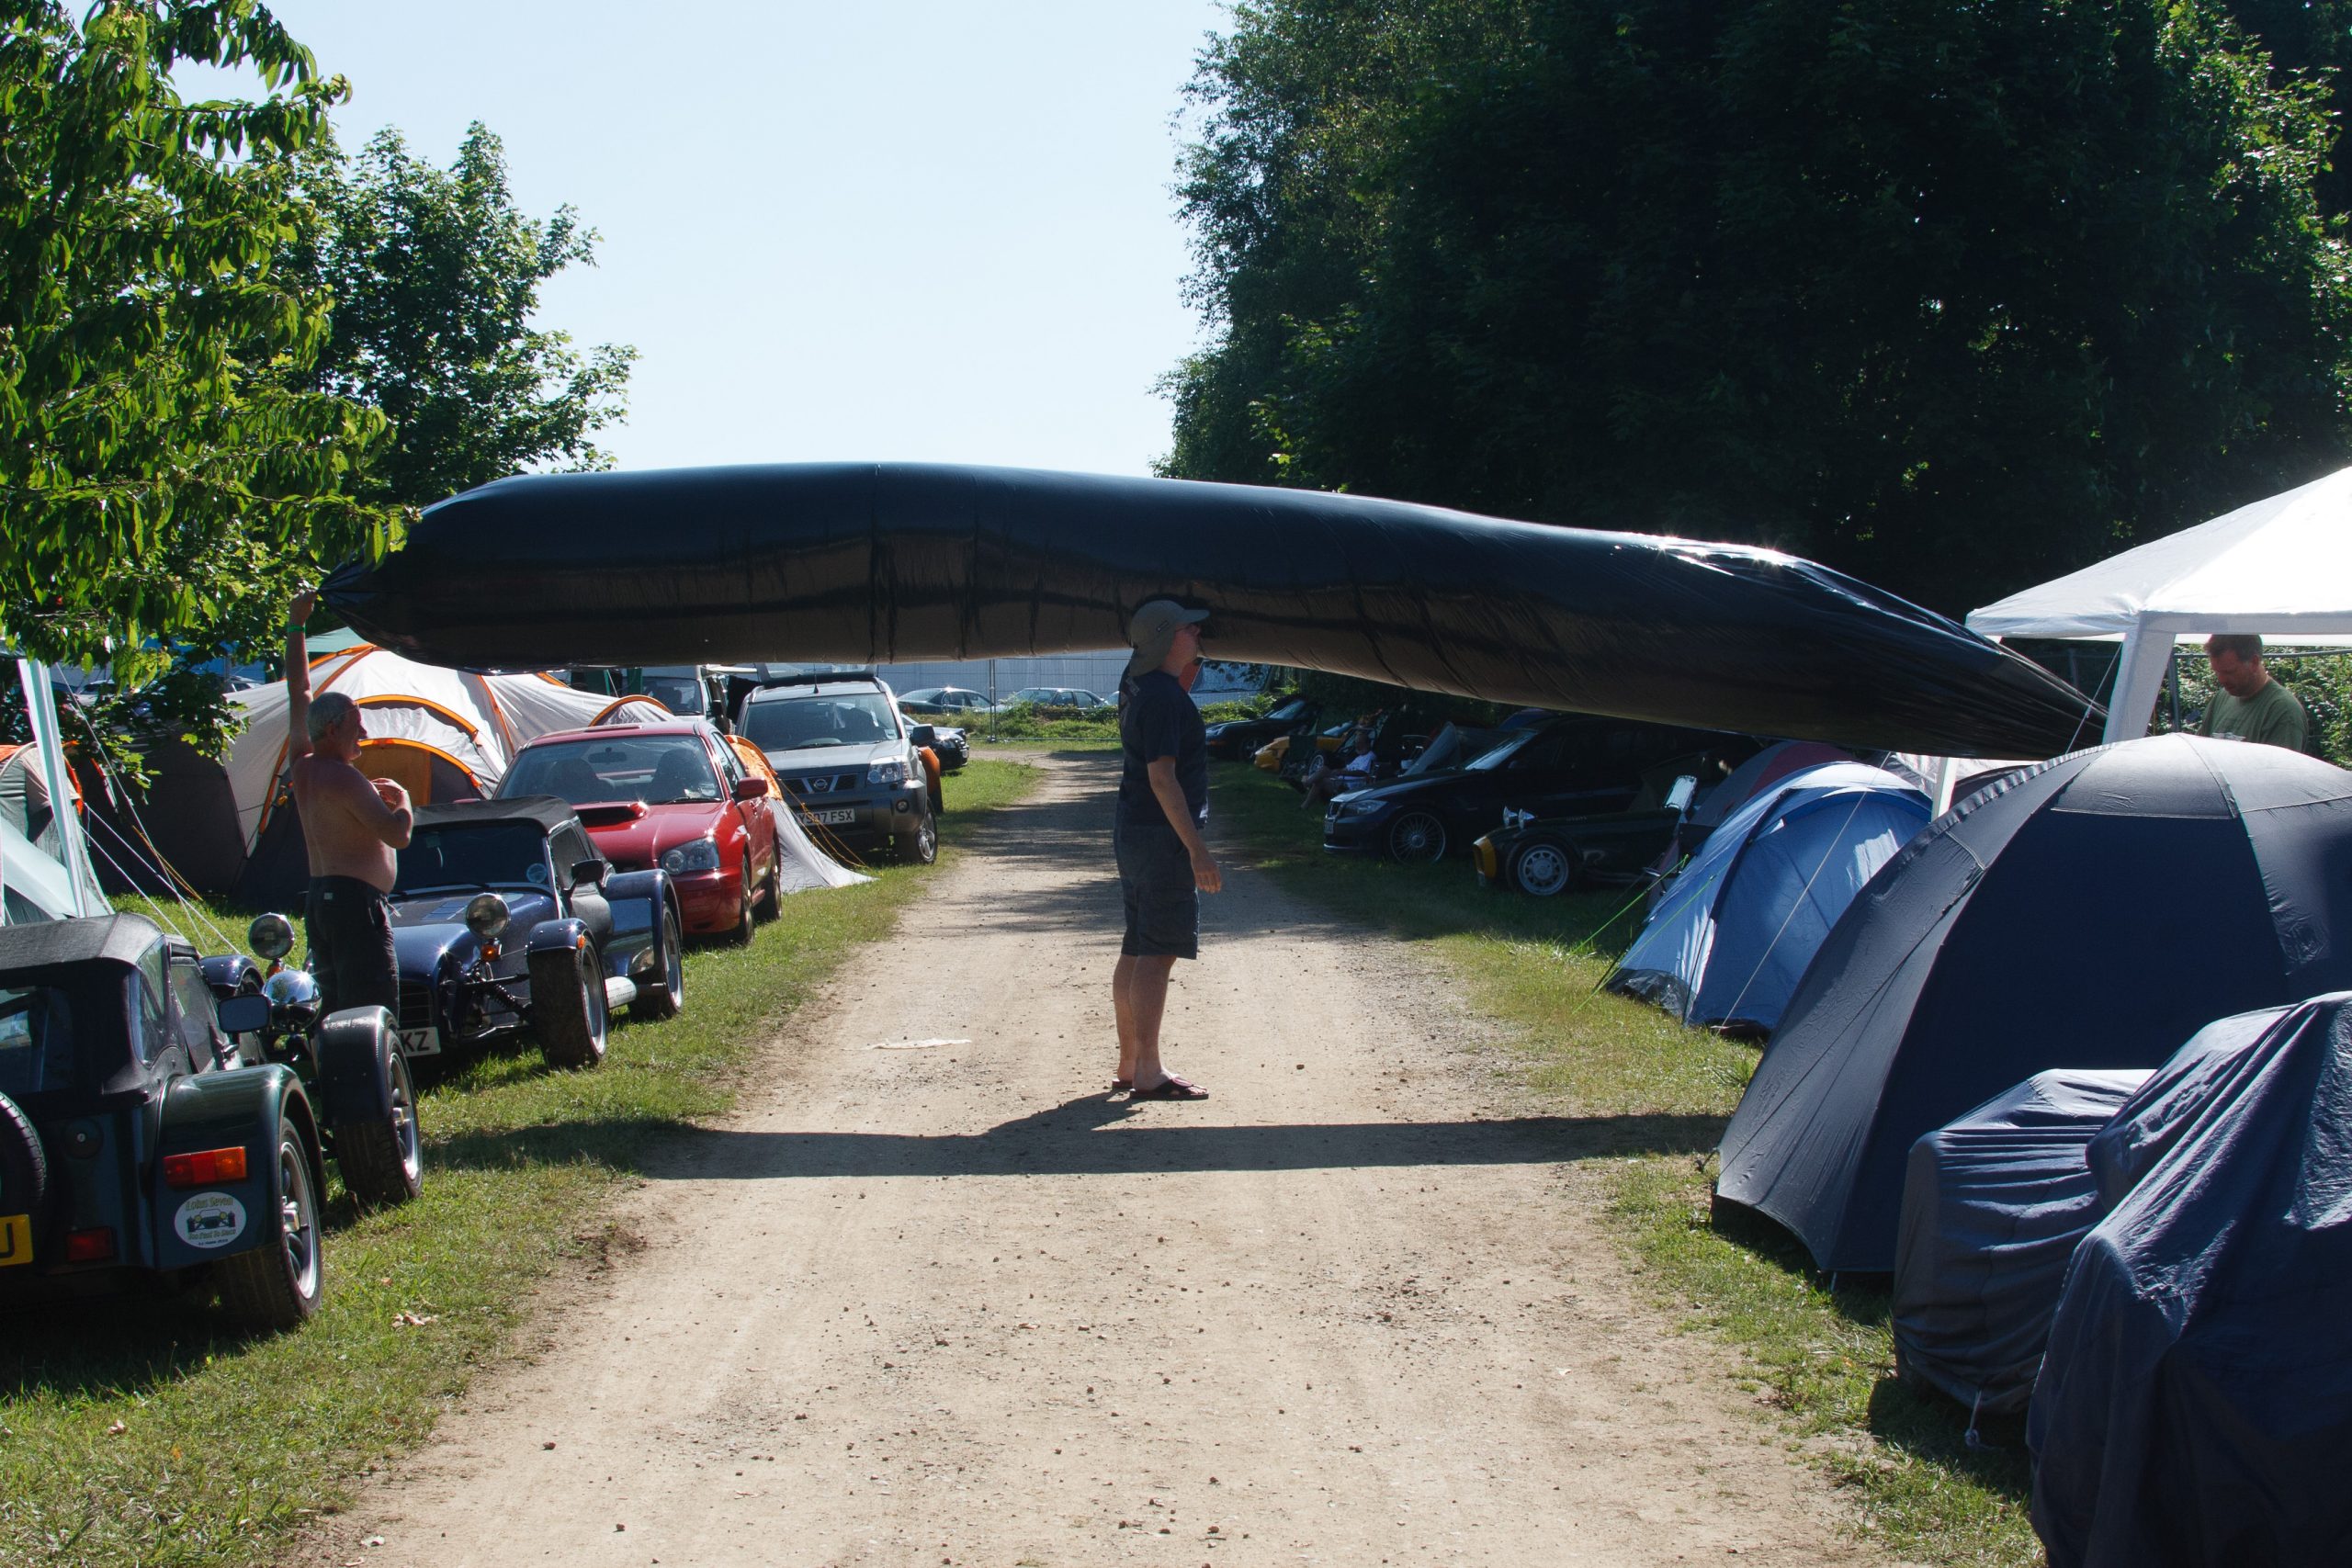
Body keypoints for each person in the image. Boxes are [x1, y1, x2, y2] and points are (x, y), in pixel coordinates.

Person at [284, 591, 413, 1016]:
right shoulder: (344, 778)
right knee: (370, 1009)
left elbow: (299, 691)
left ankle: (335, 1075)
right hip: (356, 905)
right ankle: (374, 1079)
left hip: (320, 898)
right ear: (335, 728)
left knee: (335, 1004)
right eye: (358, 726)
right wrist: (405, 801)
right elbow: (398, 835)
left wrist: (297, 625)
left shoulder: (302, 766)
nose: (364, 733)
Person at [1112, 598, 1220, 1100]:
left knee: (1137, 947)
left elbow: (1166, 691)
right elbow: (1162, 777)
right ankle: (1150, 1073)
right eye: (1188, 628)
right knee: (1156, 956)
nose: (1198, 631)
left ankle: (1131, 1063)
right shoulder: (1163, 700)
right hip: (1163, 840)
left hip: (1134, 833)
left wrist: (1189, 664)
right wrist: (1196, 849)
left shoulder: (1137, 684)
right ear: (1166, 637)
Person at [2199, 634, 2308, 753]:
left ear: (2254, 662)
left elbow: (2280, 770)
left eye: (2229, 672)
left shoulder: (2283, 711)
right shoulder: (2221, 698)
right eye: (2217, 672)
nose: (2221, 679)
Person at [1302, 727, 1378, 807]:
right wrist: (1338, 771)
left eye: (1359, 743)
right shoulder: (1359, 757)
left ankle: (1305, 789)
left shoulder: (1370, 756)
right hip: (1342, 778)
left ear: (1366, 744)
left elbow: (1363, 773)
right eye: (1356, 743)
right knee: (1324, 771)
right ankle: (1306, 793)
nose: (1356, 745)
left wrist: (1342, 772)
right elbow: (1347, 768)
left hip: (1349, 784)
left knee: (1321, 779)